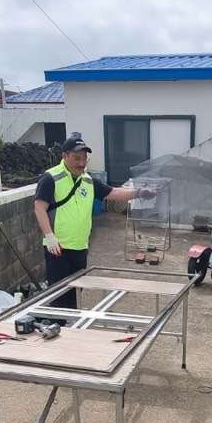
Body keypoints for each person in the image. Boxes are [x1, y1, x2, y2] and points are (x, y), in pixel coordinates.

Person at [34, 133, 149, 311]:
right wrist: (49, 237)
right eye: (76, 158)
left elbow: (115, 193)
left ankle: (70, 327)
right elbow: (39, 208)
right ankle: (59, 328)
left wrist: (139, 192)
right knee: (58, 294)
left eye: (84, 159)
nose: (81, 163)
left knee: (76, 292)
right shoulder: (50, 178)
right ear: (64, 156)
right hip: (58, 248)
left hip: (80, 247)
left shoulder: (88, 181)